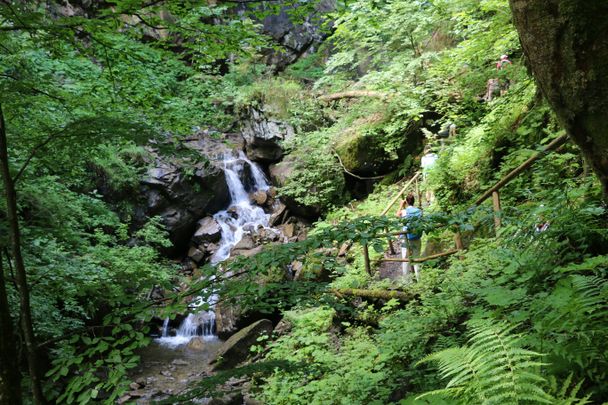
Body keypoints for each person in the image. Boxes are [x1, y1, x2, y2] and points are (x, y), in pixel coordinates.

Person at [396, 193, 423, 282]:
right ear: (414, 201)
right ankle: (419, 279)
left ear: (406, 202)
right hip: (416, 236)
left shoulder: (404, 211)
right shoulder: (419, 211)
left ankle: (407, 281)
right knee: (416, 257)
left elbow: (397, 215)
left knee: (405, 258)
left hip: (406, 237)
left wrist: (401, 205)